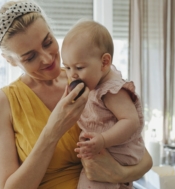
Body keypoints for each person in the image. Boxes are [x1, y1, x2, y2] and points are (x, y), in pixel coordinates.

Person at [0, 1, 152, 189]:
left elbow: (142, 156)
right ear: (10, 60)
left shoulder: (87, 77)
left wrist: (120, 174)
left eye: (48, 42)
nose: (48, 58)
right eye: (30, 57)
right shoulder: (1, 102)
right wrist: (53, 129)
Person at [62, 19, 145, 189]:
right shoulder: (94, 83)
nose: (73, 75)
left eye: (79, 67)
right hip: (104, 153)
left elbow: (131, 121)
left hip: (113, 154)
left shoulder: (111, 91)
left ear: (105, 62)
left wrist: (102, 140)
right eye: (68, 68)